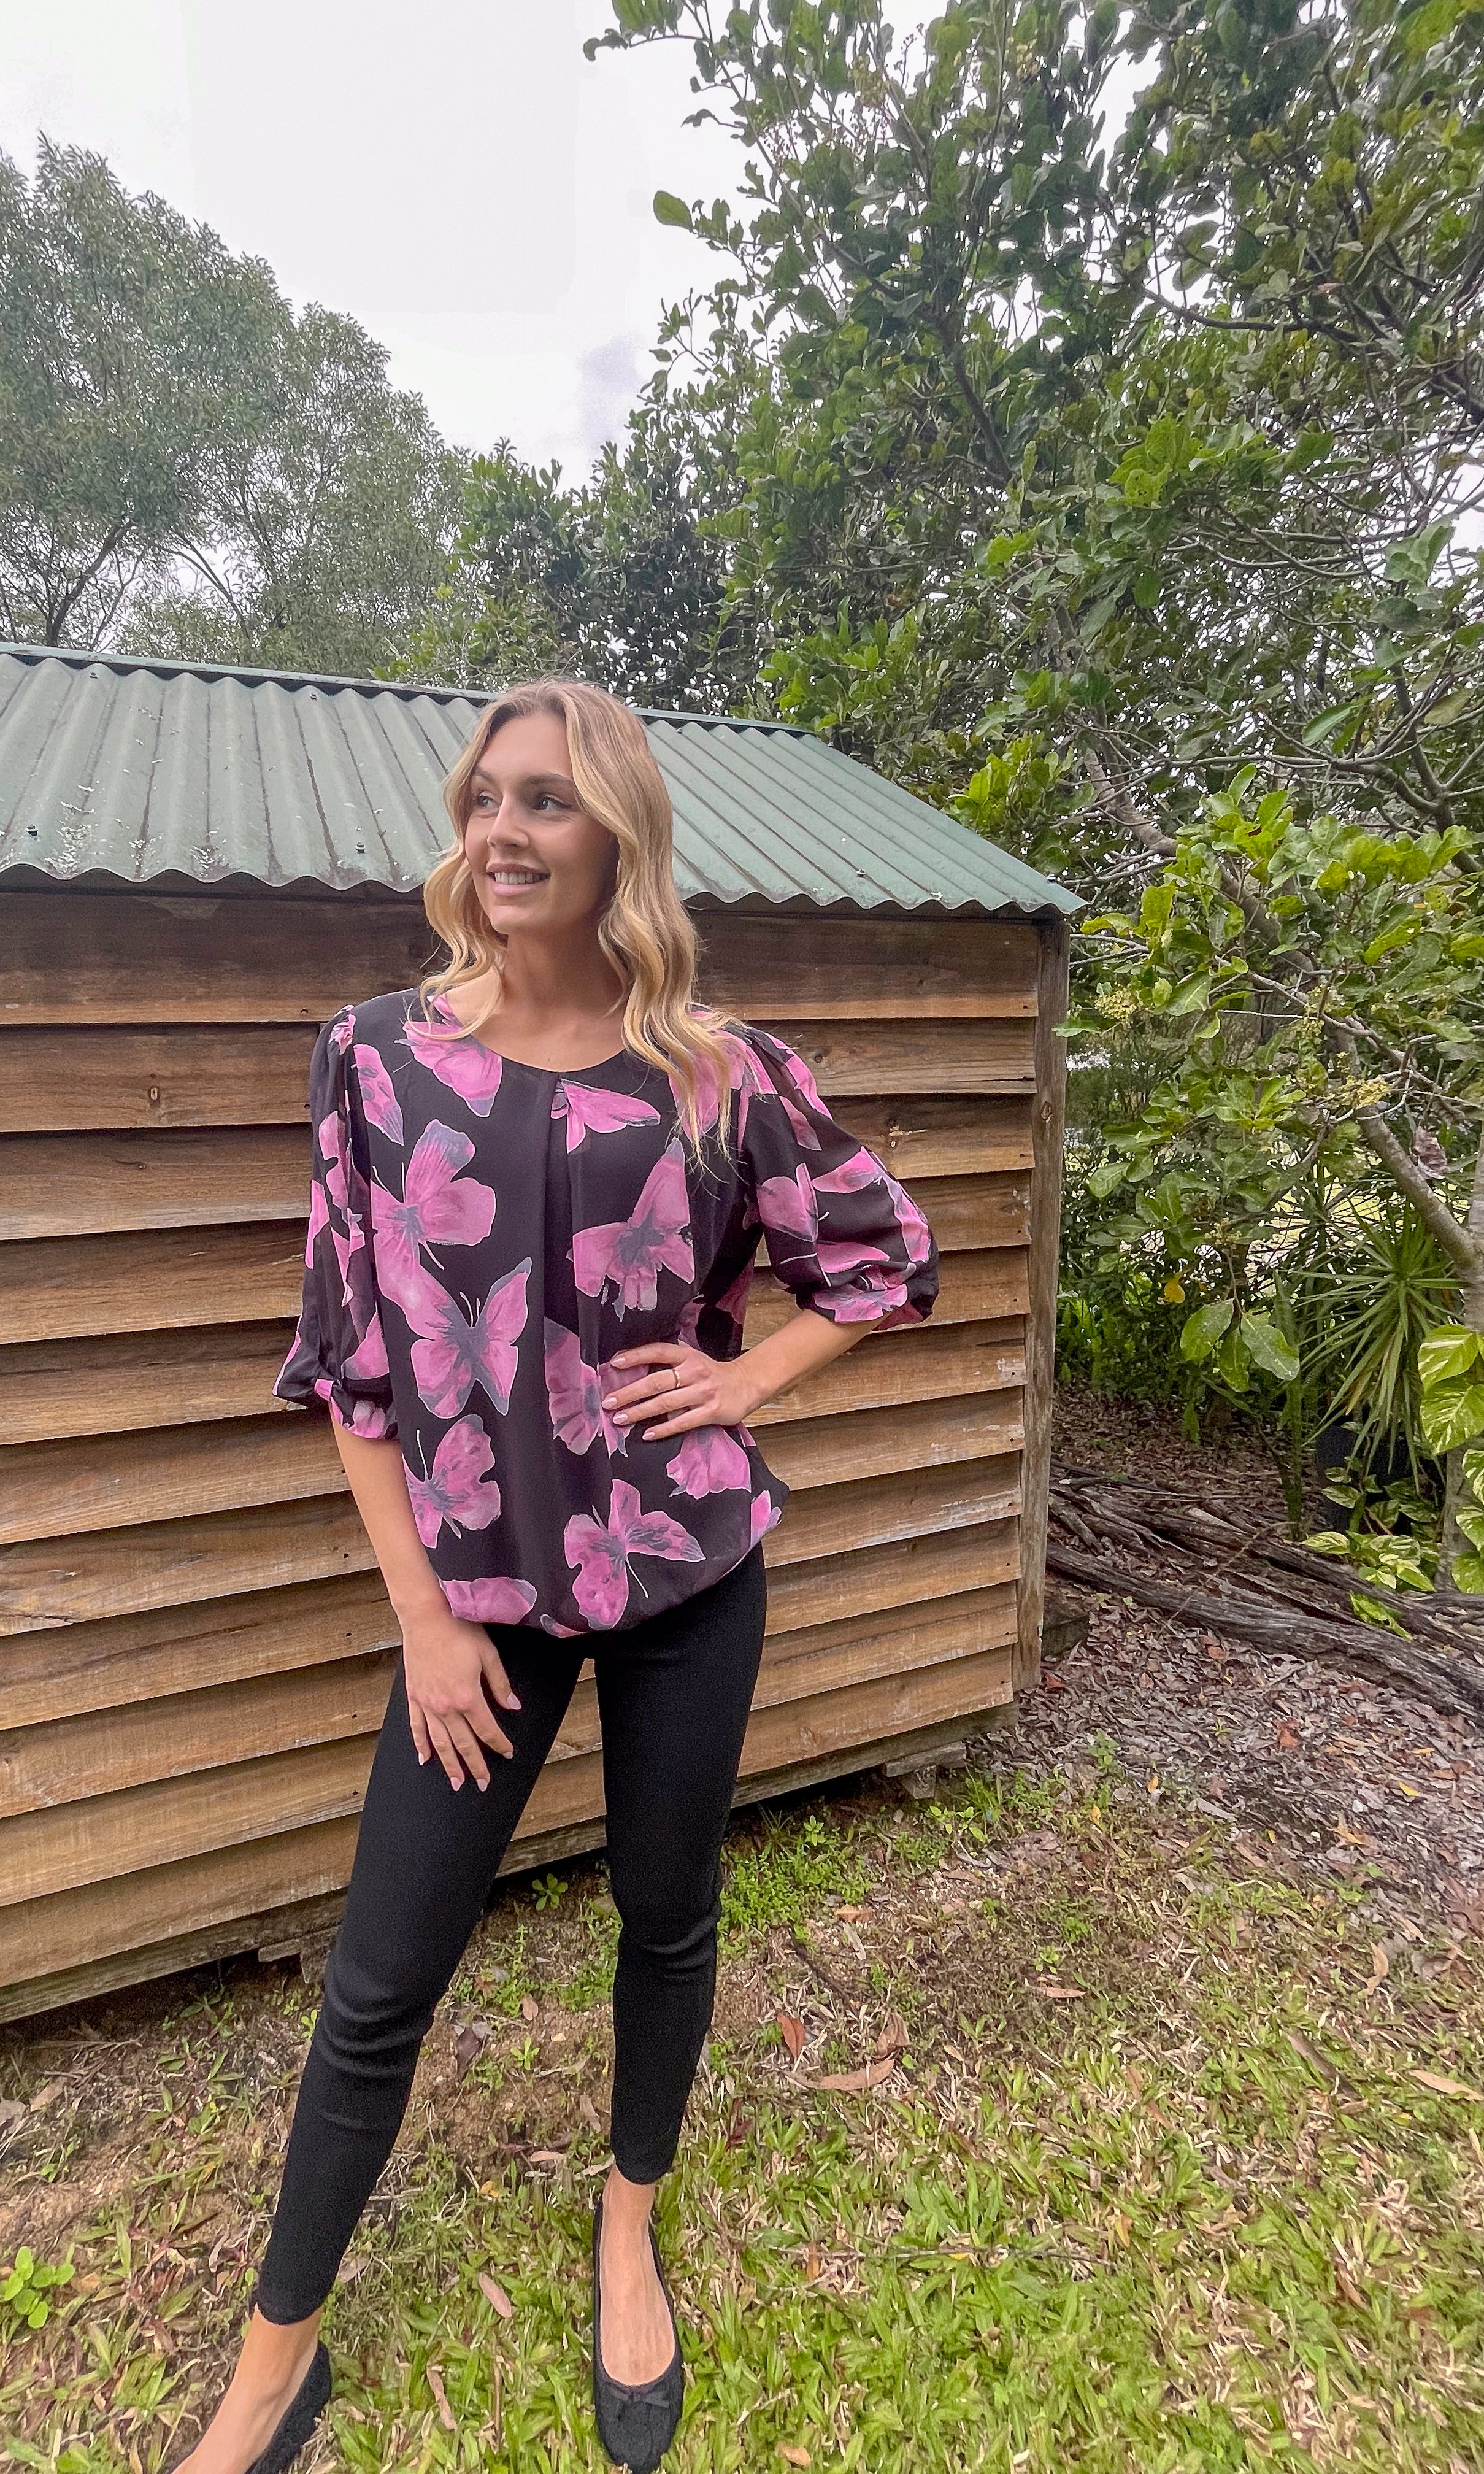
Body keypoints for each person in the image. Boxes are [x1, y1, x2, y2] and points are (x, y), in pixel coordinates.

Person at [175, 678, 937, 2474]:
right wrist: (426, 1621)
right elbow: (351, 1363)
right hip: (479, 1619)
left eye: (551, 802)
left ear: (620, 840)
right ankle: (274, 2370)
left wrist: (747, 1382)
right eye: (487, 797)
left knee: (667, 1913)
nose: (506, 832)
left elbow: (885, 1258)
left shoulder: (720, 1076)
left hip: (688, 1576)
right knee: (380, 1983)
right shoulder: (375, 1058)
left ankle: (626, 2226)